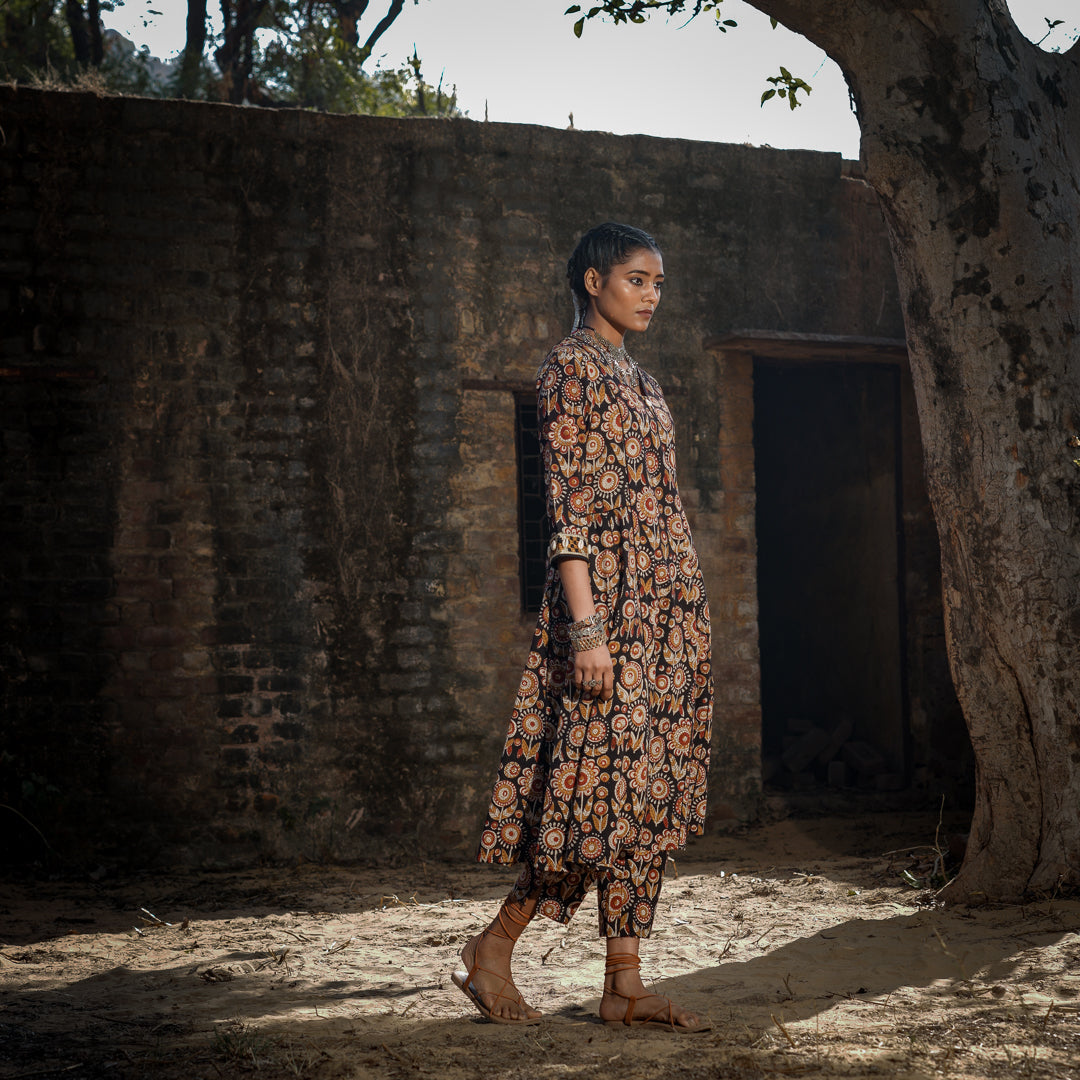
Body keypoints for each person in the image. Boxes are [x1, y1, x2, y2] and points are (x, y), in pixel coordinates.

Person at [452, 222, 713, 1032]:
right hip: (613, 618)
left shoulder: (639, 379)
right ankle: (491, 949)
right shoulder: (571, 370)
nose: (651, 295)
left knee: (650, 798)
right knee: (587, 799)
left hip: (669, 620)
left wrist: (686, 611)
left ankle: (624, 984)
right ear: (594, 281)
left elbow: (660, 503)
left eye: (659, 283)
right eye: (638, 279)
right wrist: (587, 630)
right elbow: (570, 512)